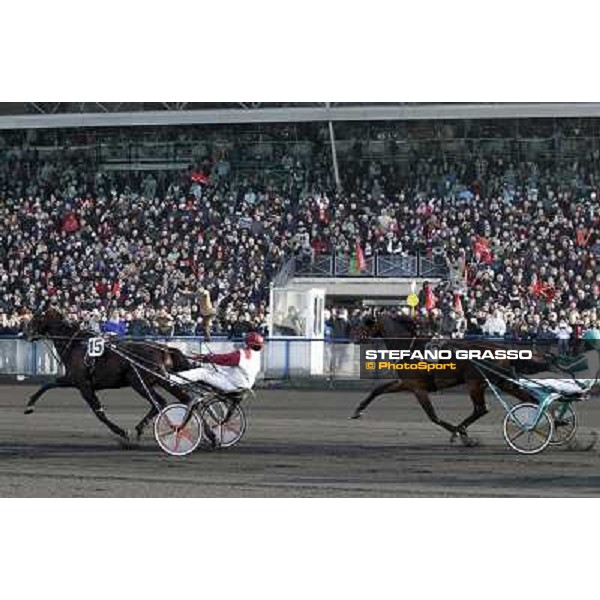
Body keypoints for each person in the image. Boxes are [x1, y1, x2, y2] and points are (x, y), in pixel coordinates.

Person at [171, 332, 265, 393]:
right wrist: (210, 358)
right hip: (244, 383)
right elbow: (226, 361)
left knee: (201, 372)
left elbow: (224, 359)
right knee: (213, 369)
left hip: (233, 385)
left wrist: (207, 358)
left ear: (248, 343)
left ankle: (172, 379)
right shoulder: (257, 355)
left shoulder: (242, 354)